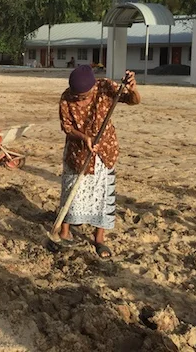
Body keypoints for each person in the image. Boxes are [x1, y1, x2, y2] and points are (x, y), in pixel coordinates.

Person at [58, 65, 140, 258]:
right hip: (78, 152)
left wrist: (132, 88)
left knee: (102, 194)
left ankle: (99, 239)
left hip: (104, 150)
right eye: (77, 96)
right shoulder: (66, 97)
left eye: (84, 96)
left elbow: (134, 101)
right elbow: (67, 127)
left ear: (93, 88)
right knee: (71, 191)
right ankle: (64, 232)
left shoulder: (105, 88)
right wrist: (84, 137)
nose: (80, 100)